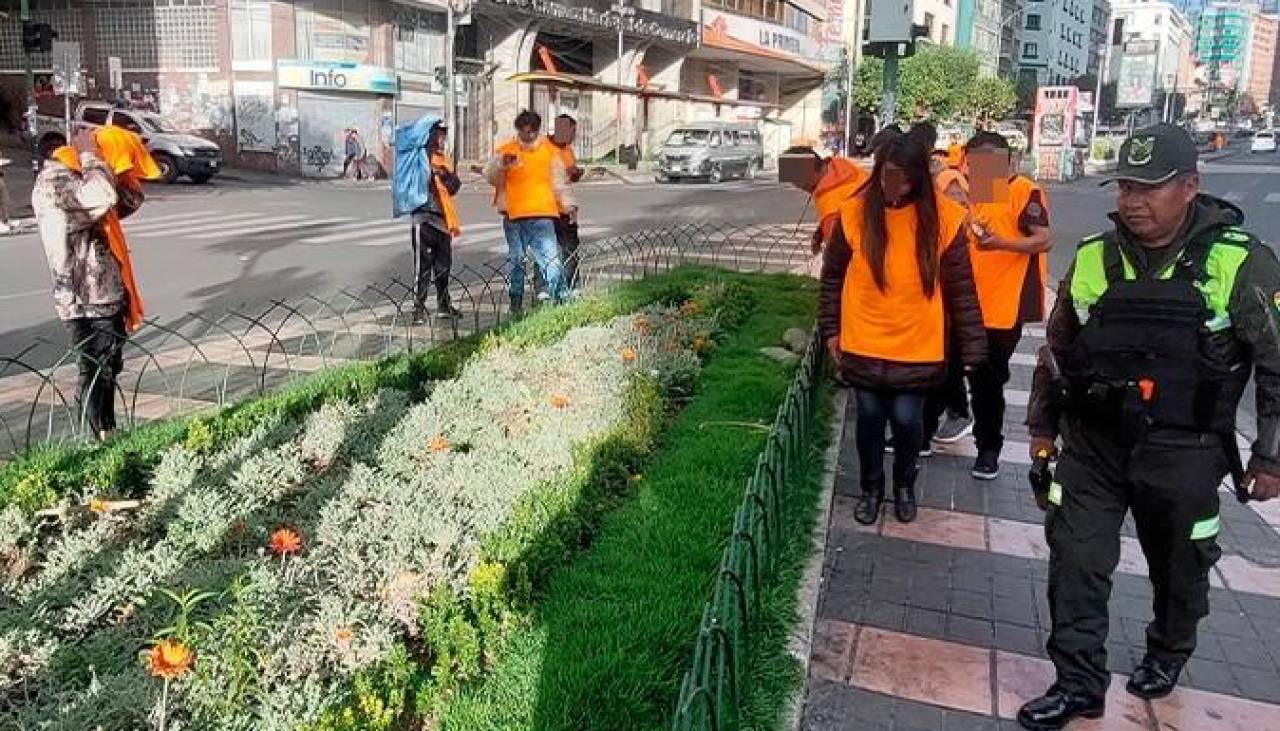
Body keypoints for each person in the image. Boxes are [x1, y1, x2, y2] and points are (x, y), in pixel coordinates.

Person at [1018, 124, 1280, 730]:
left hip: (1184, 450)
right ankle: (1078, 683)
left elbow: (1275, 365)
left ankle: (1168, 650)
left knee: (1180, 565)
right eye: (1126, 187)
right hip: (1094, 445)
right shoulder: (1092, 256)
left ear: (1189, 186)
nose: (1132, 201)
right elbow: (1057, 351)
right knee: (1076, 560)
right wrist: (1041, 430)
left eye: (1150, 187)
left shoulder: (1240, 261)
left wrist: (1269, 458)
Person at [819, 135, 988, 525]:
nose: (891, 187)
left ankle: (904, 487)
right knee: (870, 420)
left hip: (918, 345)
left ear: (917, 178)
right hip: (862, 340)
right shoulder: (854, 213)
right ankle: (871, 489)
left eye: (902, 179)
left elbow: (962, 289)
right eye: (885, 176)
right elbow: (831, 281)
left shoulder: (945, 219)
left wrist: (974, 349)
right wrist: (831, 331)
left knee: (909, 421)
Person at [33, 126, 159, 441]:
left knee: (110, 366)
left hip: (105, 293)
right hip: (85, 297)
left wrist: (121, 168)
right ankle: (91, 440)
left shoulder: (84, 177)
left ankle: (107, 431)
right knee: (93, 370)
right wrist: (92, 153)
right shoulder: (55, 182)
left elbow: (126, 200)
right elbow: (101, 196)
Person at [955, 131, 1051, 479]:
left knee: (986, 380)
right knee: (946, 366)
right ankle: (935, 425)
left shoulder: (1025, 191)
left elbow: (1044, 239)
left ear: (1008, 160)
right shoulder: (978, 193)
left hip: (1003, 308)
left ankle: (988, 448)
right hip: (967, 302)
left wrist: (1002, 244)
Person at [484, 110, 576, 313]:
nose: (529, 137)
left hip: (542, 213)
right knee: (516, 259)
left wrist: (568, 204)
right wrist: (501, 164)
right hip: (513, 215)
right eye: (525, 133)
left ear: (537, 130)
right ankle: (516, 301)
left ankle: (559, 297)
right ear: (518, 130)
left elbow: (559, 181)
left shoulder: (549, 152)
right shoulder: (506, 150)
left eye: (533, 132)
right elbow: (489, 175)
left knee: (550, 257)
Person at [393, 114, 462, 324]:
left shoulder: (443, 158)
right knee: (422, 268)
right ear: (430, 135)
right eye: (439, 135)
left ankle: (443, 305)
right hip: (423, 219)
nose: (442, 139)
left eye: (444, 136)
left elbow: (454, 187)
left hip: (442, 220)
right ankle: (418, 308)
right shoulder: (417, 156)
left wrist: (445, 176)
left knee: (443, 266)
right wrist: (431, 121)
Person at [781, 145, 869, 254]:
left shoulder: (830, 208)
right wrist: (821, 230)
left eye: (795, 181)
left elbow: (840, 258)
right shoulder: (841, 165)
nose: (797, 186)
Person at [549, 114, 585, 291]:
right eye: (573, 131)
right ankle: (546, 290)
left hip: (566, 209)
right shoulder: (544, 149)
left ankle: (570, 286)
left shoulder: (568, 150)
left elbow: (569, 178)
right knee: (548, 252)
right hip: (549, 209)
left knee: (570, 249)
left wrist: (575, 172)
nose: (574, 135)